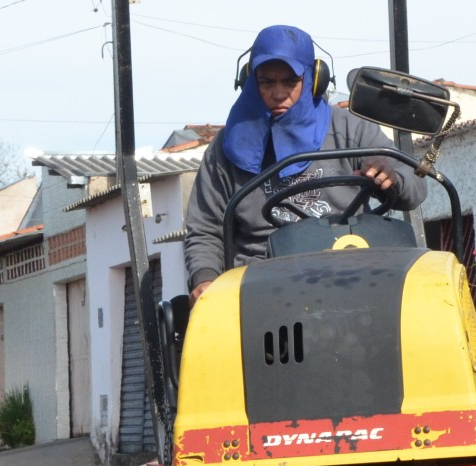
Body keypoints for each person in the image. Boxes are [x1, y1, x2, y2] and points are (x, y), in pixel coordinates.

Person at [184, 25, 429, 299]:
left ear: (314, 79)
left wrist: (391, 180)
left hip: (352, 275)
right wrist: (204, 278)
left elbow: (415, 190)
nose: (278, 93)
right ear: (250, 80)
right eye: (266, 82)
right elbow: (205, 229)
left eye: (290, 81)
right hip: (260, 288)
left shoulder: (349, 129)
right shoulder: (226, 147)